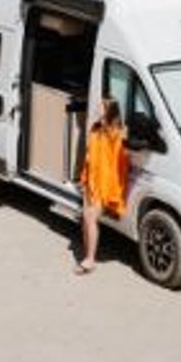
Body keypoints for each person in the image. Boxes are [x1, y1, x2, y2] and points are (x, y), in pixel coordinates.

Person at [74, 96, 125, 277]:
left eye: (102, 107)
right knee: (85, 220)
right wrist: (83, 178)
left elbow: (120, 143)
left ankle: (90, 259)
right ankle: (87, 255)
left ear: (110, 111)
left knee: (89, 217)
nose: (98, 109)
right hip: (91, 182)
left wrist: (108, 124)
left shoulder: (115, 132)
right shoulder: (95, 129)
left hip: (106, 185)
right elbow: (89, 157)